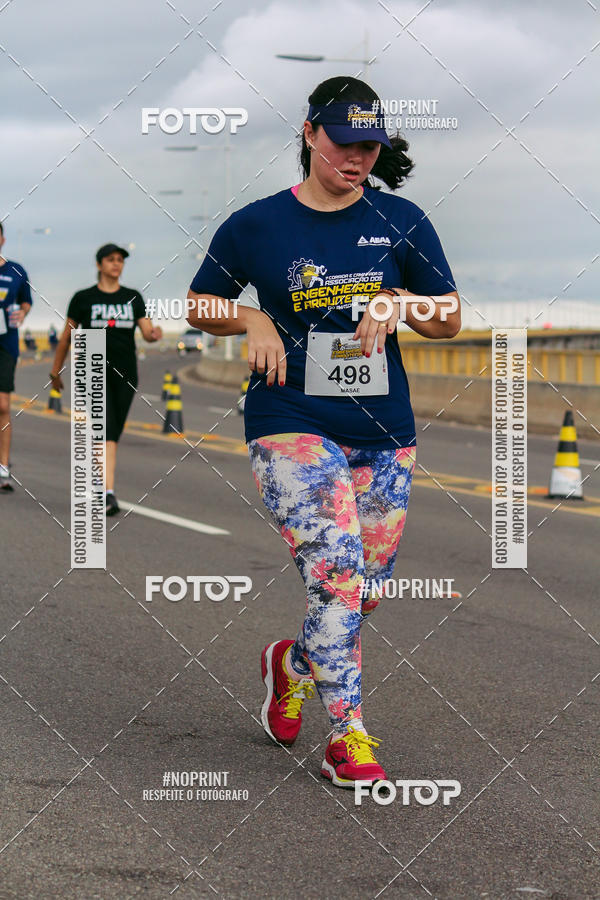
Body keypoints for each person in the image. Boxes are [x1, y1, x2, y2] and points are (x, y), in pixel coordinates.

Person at [186, 76, 461, 789]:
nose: (357, 158)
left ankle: (292, 664)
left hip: (383, 430)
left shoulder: (400, 220)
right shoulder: (256, 225)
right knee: (338, 577)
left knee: (364, 591)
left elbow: (452, 314)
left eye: (370, 146)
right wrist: (249, 318)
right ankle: (349, 738)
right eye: (344, 142)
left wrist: (401, 300)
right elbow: (198, 300)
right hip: (289, 419)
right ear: (309, 133)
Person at [50, 243, 162, 516]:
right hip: (92, 368)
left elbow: (146, 331)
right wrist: (55, 370)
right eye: (111, 260)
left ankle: (103, 486)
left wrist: (155, 333)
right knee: (106, 429)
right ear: (99, 264)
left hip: (126, 372)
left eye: (120, 261)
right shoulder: (83, 298)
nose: (116, 264)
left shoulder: (133, 297)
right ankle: (107, 491)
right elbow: (67, 336)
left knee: (113, 432)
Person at [0, 221, 32, 492]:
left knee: (2, 405)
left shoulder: (16, 270)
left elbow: (26, 301)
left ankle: (3, 466)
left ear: (2, 239)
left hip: (5, 344)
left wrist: (23, 312)